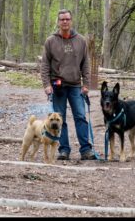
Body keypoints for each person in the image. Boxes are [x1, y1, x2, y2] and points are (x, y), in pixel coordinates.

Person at [40, 9, 97, 160]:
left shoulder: (81, 40)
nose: (65, 22)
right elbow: (45, 65)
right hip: (57, 85)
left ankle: (86, 150)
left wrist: (86, 85)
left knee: (80, 116)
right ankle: (64, 150)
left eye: (67, 19)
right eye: (62, 19)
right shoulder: (50, 41)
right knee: (60, 119)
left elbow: (86, 64)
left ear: (71, 21)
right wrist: (46, 84)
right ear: (58, 22)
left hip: (76, 85)